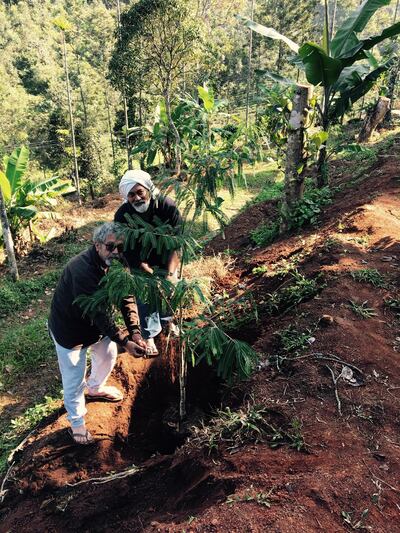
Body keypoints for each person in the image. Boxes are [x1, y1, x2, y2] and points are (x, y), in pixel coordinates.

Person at [48, 222, 147, 445]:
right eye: (110, 247)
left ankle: (95, 388)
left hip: (96, 328)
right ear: (97, 245)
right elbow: (97, 313)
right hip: (70, 330)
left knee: (108, 355)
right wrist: (124, 339)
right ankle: (76, 423)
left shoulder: (120, 262)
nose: (116, 252)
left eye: (120, 247)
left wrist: (136, 333)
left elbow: (126, 296)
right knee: (74, 378)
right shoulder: (81, 269)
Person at [114, 169, 182, 355]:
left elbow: (176, 243)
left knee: (170, 289)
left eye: (139, 192)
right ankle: (150, 334)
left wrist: (168, 274)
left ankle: (168, 322)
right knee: (145, 293)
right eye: (131, 195)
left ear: (149, 190)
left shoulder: (167, 206)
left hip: (166, 256)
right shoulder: (122, 216)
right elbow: (126, 250)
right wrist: (144, 270)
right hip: (139, 260)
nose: (136, 198)